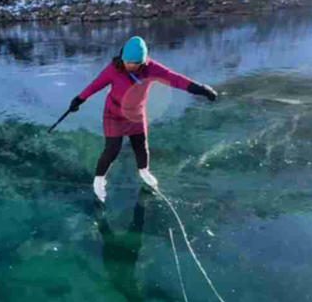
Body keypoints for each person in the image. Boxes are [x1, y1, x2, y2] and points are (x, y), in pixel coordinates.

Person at [69, 36, 217, 202]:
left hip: (135, 114)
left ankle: (144, 172)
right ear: (122, 58)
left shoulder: (152, 69)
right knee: (112, 149)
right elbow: (96, 85)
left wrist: (201, 89)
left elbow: (176, 79)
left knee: (141, 146)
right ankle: (99, 180)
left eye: (134, 63)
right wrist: (79, 99)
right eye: (127, 62)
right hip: (114, 113)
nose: (130, 66)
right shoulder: (114, 69)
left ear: (142, 62)